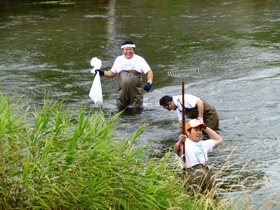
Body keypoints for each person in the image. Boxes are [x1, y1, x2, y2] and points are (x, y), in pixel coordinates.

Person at [95, 41, 153, 109]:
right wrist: (102, 72)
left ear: (133, 50)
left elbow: (149, 72)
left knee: (137, 110)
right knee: (120, 109)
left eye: (130, 49)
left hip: (136, 94)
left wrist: (149, 82)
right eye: (126, 49)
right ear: (122, 50)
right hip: (122, 94)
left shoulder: (140, 59)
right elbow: (112, 73)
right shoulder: (118, 59)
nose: (128, 51)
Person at [175, 119, 222, 196]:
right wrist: (180, 141)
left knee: (212, 200)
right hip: (193, 178)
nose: (199, 132)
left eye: (200, 130)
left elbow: (219, 139)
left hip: (207, 175)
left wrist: (205, 127)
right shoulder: (184, 144)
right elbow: (176, 150)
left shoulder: (203, 144)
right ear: (187, 132)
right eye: (196, 130)